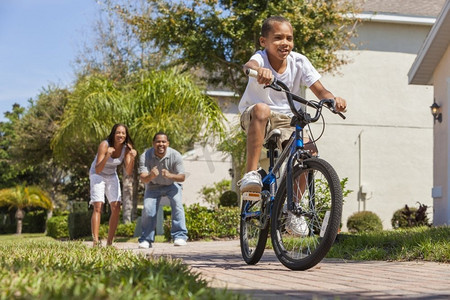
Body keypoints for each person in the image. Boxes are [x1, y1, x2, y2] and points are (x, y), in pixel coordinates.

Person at [238, 16, 347, 193]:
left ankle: (294, 212)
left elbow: (320, 91)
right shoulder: (260, 57)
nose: (285, 43)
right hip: (255, 117)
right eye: (278, 38)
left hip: (286, 119)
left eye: (289, 38)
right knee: (262, 109)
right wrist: (258, 71)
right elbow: (248, 66)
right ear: (264, 41)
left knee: (307, 151)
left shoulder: (299, 62)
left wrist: (334, 100)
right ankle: (250, 173)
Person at [89, 123, 137, 247]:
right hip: (97, 174)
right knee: (98, 206)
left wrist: (132, 158)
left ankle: (109, 243)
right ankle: (95, 242)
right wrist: (107, 155)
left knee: (116, 208)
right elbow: (98, 169)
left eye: (123, 133)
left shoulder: (126, 148)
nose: (120, 135)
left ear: (126, 136)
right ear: (113, 134)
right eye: (118, 132)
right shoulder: (104, 145)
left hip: (111, 175)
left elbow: (129, 171)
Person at [138, 132, 188, 248]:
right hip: (153, 186)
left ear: (168, 143)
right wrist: (151, 175)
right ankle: (146, 239)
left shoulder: (175, 155)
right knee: (148, 209)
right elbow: (143, 178)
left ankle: (180, 236)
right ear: (153, 143)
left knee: (177, 205)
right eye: (158, 142)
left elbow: (182, 177)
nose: (161, 144)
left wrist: (170, 175)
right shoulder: (145, 156)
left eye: (163, 142)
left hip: (172, 185)